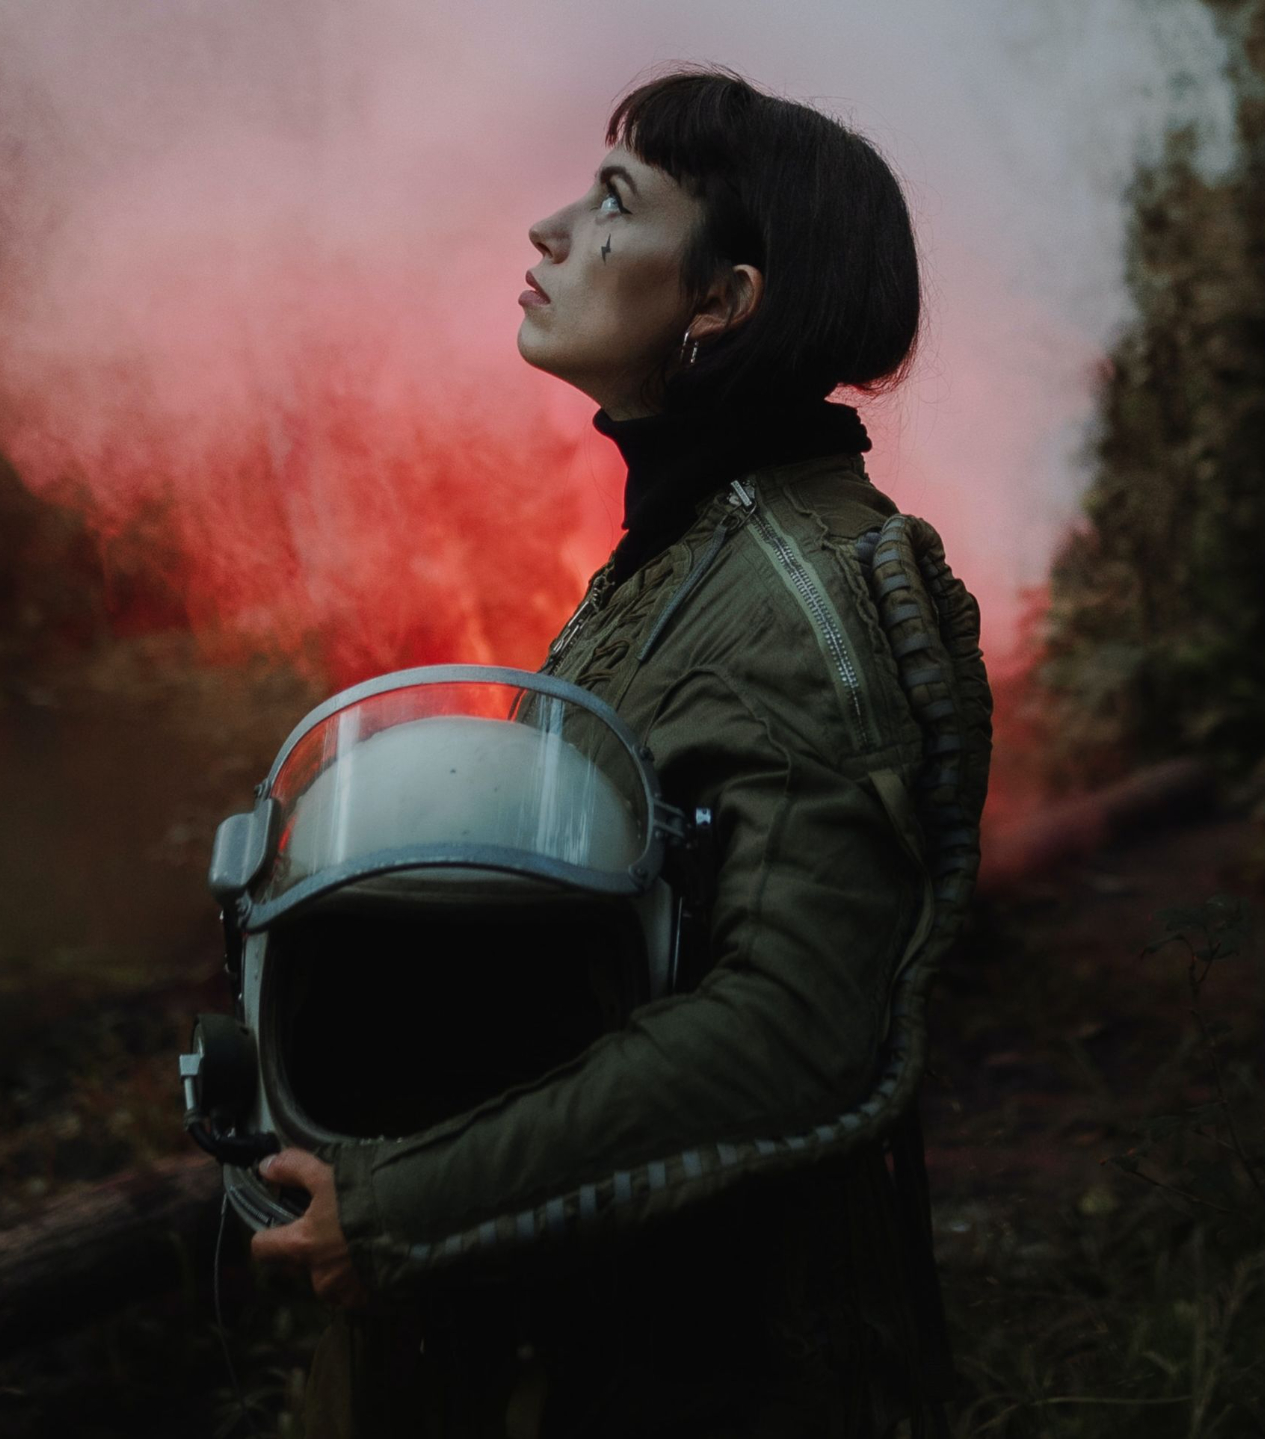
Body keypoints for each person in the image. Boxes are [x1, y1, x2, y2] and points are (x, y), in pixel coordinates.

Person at [247, 66, 986, 1438]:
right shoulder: (683, 559)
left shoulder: (801, 594)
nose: (548, 230)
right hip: (592, 1340)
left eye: (612, 205)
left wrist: (413, 1206)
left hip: (716, 1375)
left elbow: (796, 1032)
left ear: (722, 303)